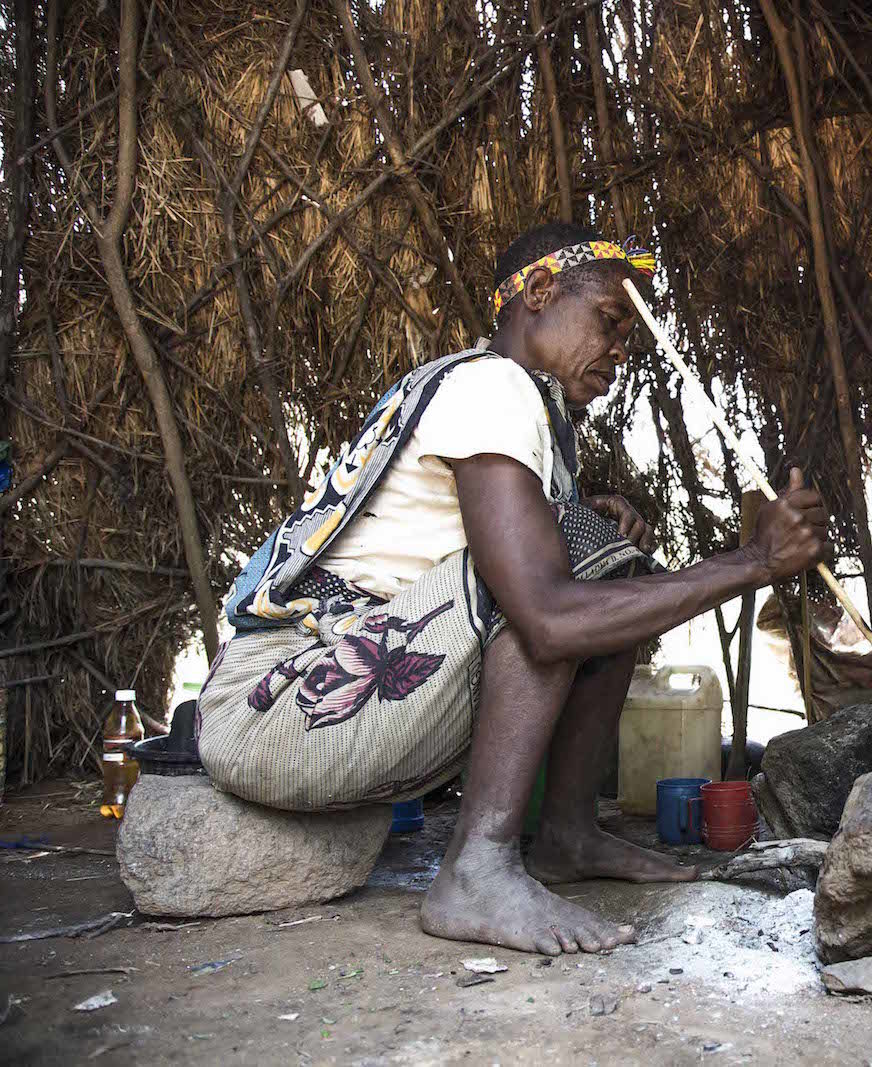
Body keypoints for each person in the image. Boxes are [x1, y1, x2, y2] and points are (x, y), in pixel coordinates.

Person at [197, 221, 829, 955]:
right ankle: (477, 869)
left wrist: (580, 528)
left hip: (312, 708)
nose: (621, 351)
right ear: (539, 291)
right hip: (267, 710)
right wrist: (752, 561)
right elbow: (550, 619)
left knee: (603, 558)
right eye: (609, 320)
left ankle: (564, 834)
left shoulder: (504, 398)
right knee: (562, 580)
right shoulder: (495, 387)